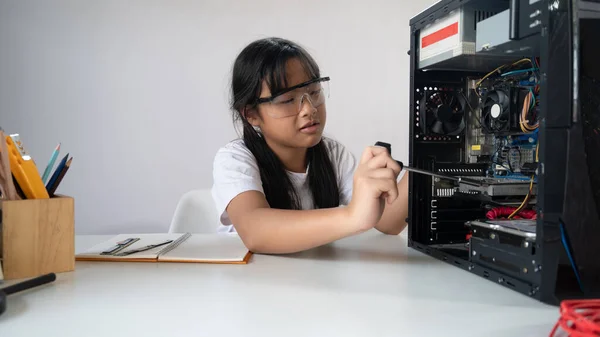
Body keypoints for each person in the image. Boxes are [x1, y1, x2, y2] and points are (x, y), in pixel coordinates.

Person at [211, 37, 408, 254]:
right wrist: (352, 216)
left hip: (313, 278)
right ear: (251, 114)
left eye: (314, 92)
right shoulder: (235, 158)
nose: (309, 109)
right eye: (287, 100)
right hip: (249, 279)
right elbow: (256, 231)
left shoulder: (332, 154)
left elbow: (388, 222)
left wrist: (427, 147)